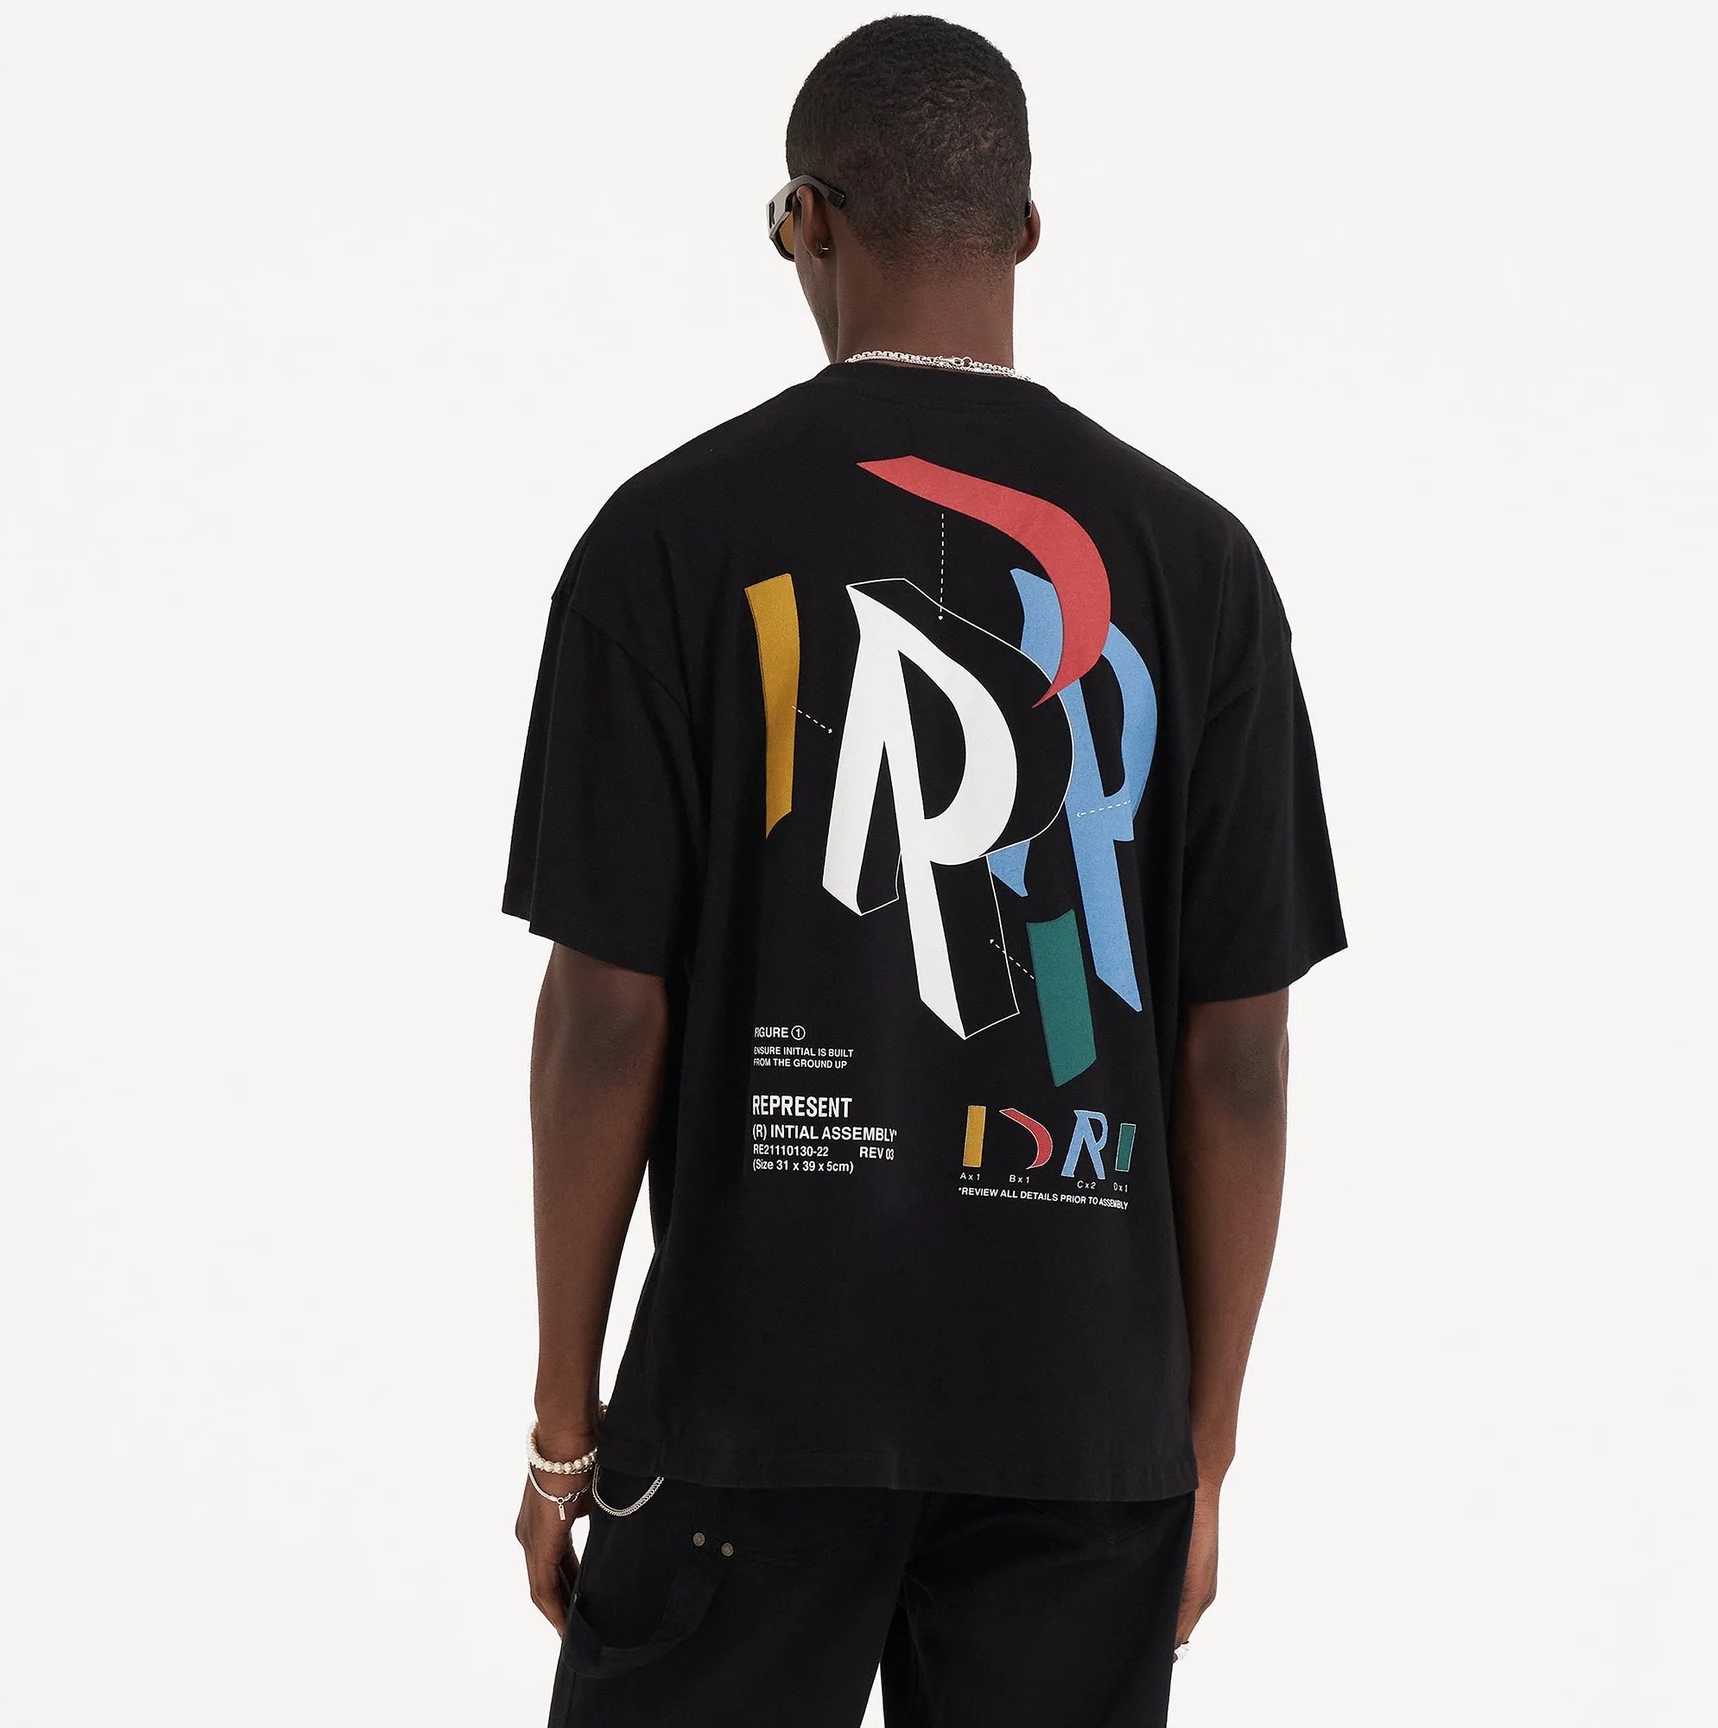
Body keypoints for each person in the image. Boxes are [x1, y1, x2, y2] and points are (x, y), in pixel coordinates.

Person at [503, 16, 1345, 1725]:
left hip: (745, 1414)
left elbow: (605, 1014)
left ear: (806, 219)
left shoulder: (667, 539)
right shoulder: (1199, 566)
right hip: (1082, 1430)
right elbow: (1240, 1052)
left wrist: (563, 1423)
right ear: (1027, 229)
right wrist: (1199, 1455)